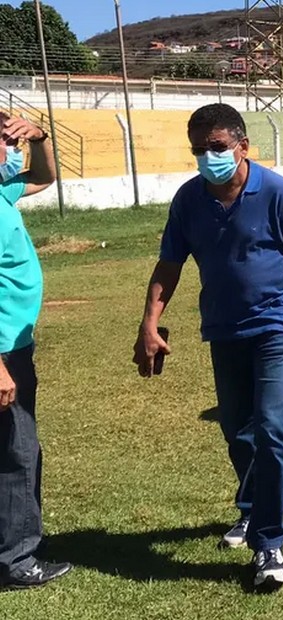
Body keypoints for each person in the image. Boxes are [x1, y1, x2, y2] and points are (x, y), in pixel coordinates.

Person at [132, 104, 283, 591]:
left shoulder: (278, 193)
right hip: (224, 329)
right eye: (199, 150)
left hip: (279, 324)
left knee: (271, 426)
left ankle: (269, 541)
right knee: (237, 429)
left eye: (217, 147)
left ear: (243, 146)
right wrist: (149, 323)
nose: (208, 157)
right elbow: (169, 264)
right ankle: (253, 508)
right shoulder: (189, 200)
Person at [0, 114, 73, 589]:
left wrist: (41, 138)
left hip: (14, 347)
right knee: (17, 453)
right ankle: (16, 560)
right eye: (2, 142)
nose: (11, 150)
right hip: (4, 355)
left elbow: (44, 177)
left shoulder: (2, 193)